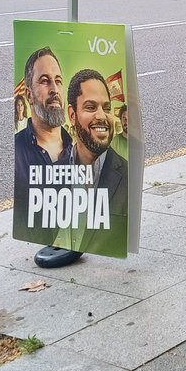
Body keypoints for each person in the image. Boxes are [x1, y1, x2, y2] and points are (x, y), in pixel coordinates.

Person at [61, 69, 130, 257]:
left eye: (106, 108)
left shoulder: (127, 176)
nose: (102, 116)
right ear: (72, 115)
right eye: (91, 107)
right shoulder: (50, 172)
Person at [14, 47, 73, 246]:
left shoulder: (82, 152)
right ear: (29, 95)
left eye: (58, 81)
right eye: (45, 81)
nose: (54, 90)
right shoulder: (17, 151)